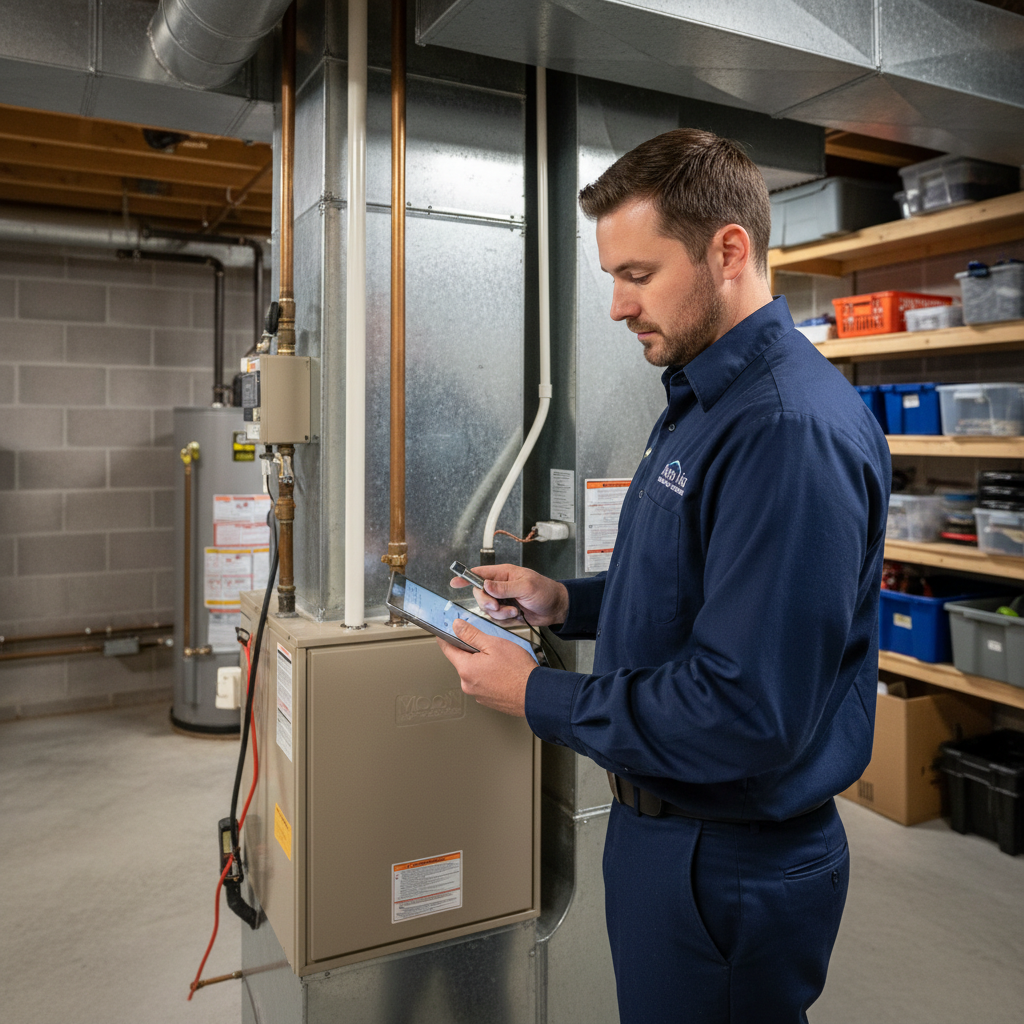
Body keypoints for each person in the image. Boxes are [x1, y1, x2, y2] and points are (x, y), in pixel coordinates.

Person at [438, 128, 890, 1024]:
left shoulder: (784, 430)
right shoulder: (701, 401)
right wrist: (567, 603)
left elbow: (743, 711)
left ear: (729, 250)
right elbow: (698, 594)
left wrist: (536, 697)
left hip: (725, 856)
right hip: (667, 832)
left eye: (637, 275)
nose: (615, 307)